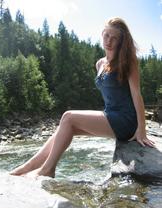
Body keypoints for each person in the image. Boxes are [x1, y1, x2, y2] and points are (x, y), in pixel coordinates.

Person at [10, 17, 154, 178]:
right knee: (65, 128)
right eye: (106, 35)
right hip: (110, 115)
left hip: (126, 120)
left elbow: (136, 95)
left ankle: (48, 170)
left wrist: (141, 130)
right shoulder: (100, 63)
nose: (109, 41)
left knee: (68, 117)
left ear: (121, 41)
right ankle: (28, 166)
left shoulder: (128, 62)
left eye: (114, 38)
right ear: (102, 34)